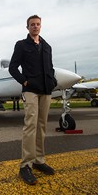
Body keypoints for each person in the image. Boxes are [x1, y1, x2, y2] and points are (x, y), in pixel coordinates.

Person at [8, 14, 57, 185]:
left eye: (38, 24)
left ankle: (39, 161)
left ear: (41, 26)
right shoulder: (21, 45)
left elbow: (50, 67)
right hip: (30, 90)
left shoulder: (47, 46)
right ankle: (25, 165)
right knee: (30, 125)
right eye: (32, 24)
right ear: (27, 27)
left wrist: (53, 82)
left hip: (46, 90)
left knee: (42, 125)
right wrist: (24, 81)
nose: (35, 27)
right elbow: (12, 67)